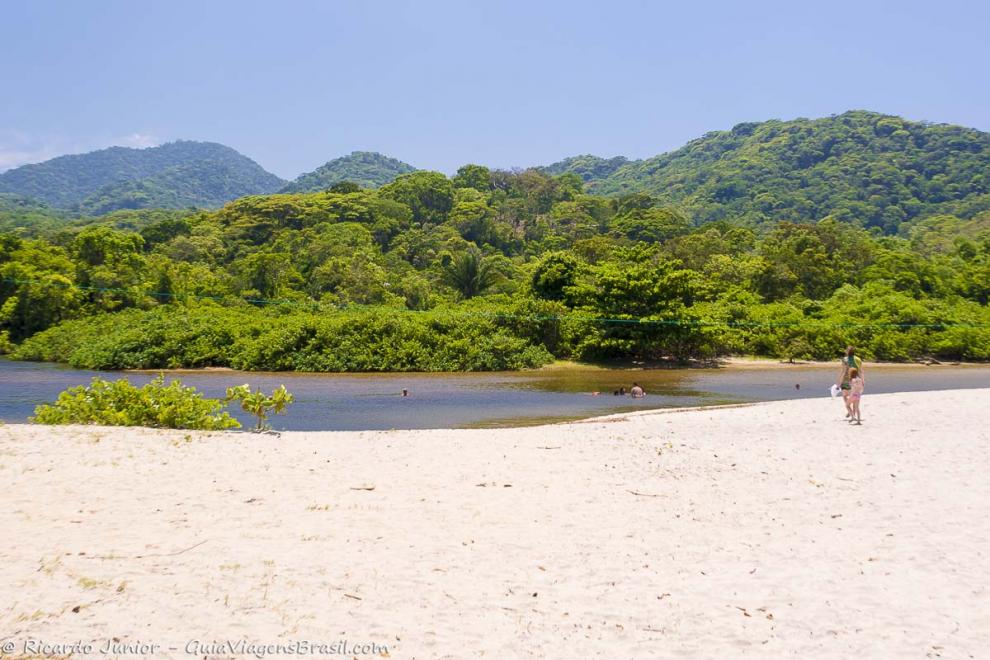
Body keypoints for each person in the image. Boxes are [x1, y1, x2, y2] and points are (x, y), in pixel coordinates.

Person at [836, 346, 864, 419]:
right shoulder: (858, 359)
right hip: (856, 380)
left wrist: (838, 381)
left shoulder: (845, 359)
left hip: (846, 380)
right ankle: (853, 412)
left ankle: (850, 411)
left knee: (845, 395)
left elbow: (843, 371)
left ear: (847, 352)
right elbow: (861, 371)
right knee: (855, 398)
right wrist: (863, 380)